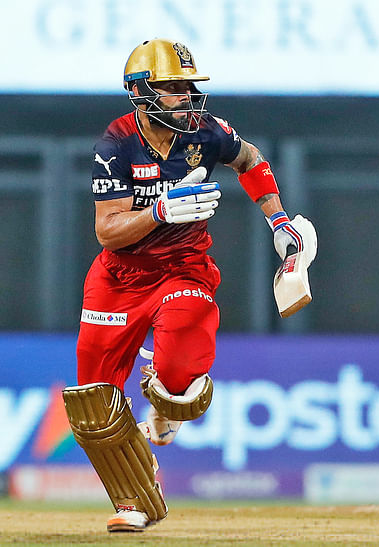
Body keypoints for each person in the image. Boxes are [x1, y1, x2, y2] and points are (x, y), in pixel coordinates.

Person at [71, 38, 316, 532]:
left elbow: (249, 159)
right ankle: (135, 497)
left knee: (182, 368)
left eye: (188, 86)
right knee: (93, 403)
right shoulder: (115, 146)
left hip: (184, 270)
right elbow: (106, 232)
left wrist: (279, 221)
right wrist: (158, 211)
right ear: (139, 92)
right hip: (119, 279)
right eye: (172, 88)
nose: (186, 97)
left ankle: (165, 413)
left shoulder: (205, 132)